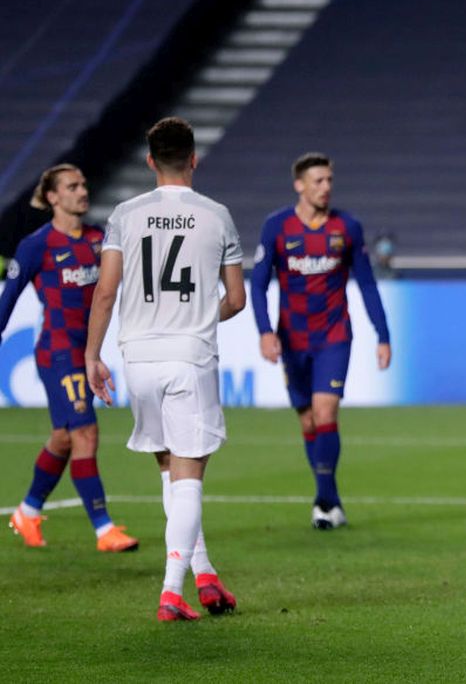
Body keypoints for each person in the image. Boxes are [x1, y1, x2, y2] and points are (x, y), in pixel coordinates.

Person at [85, 116, 243, 621]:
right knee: (190, 474)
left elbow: (106, 292)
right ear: (194, 158)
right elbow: (236, 299)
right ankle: (172, 590)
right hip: (189, 355)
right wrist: (200, 317)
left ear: (150, 161)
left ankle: (205, 573)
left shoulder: (124, 215)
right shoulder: (216, 215)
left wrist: (92, 355)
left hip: (138, 358)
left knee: (169, 470)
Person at [0, 164, 138, 552]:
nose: (82, 191)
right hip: (57, 353)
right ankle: (103, 529)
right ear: (52, 197)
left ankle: (27, 512)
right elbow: (7, 300)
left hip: (87, 355)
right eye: (72, 186)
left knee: (63, 437)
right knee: (85, 433)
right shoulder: (36, 245)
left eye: (83, 184)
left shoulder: (99, 239)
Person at [251, 153, 391, 530]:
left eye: (329, 180)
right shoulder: (276, 227)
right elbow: (259, 283)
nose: (325, 187)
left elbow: (366, 283)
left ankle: (323, 502)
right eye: (318, 181)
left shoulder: (347, 226)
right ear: (299, 185)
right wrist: (265, 331)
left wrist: (383, 335)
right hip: (292, 340)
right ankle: (331, 499)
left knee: (326, 412)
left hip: (334, 335)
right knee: (309, 421)